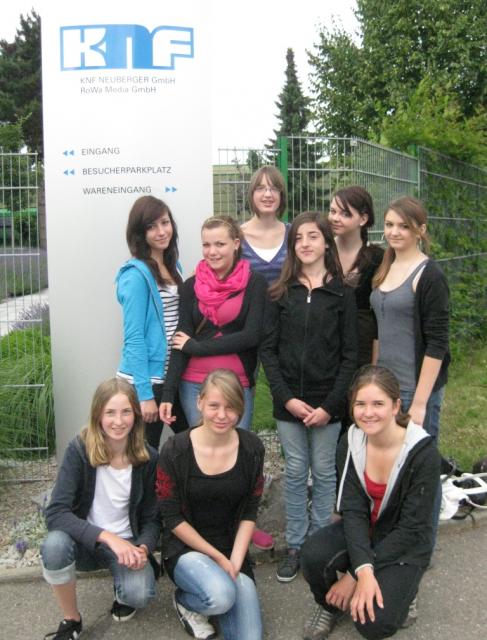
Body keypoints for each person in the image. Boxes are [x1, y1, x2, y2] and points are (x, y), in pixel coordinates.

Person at [300, 365, 440, 640]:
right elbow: (353, 512)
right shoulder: (350, 443)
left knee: (374, 624)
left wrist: (356, 574)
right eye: (360, 404)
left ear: (395, 406)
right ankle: (329, 606)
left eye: (378, 404)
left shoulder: (423, 453)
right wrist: (363, 568)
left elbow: (412, 529)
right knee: (313, 554)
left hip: (405, 542)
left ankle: (407, 590)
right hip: (366, 530)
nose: (368, 412)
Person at [260, 211, 358, 583]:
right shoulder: (280, 292)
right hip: (290, 403)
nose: (305, 243)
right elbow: (268, 351)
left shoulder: (342, 294)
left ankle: (320, 545)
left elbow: (350, 355)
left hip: (327, 404)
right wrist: (286, 399)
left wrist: (330, 406)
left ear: (326, 243)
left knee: (324, 472)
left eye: (313, 236)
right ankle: (296, 545)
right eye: (298, 237)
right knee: (296, 471)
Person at [40, 378, 159, 640]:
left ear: (136, 415)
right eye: (110, 413)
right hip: (85, 541)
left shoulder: (148, 457)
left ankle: (123, 589)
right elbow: (56, 512)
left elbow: (153, 518)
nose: (118, 421)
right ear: (98, 415)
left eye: (126, 412)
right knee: (54, 546)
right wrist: (107, 537)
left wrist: (143, 548)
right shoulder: (79, 450)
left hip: (126, 545)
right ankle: (72, 620)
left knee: (139, 594)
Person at [157, 369, 264, 640]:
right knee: (220, 596)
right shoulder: (175, 450)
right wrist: (217, 558)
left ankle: (219, 593)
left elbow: (250, 510)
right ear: (199, 402)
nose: (222, 415)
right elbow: (172, 517)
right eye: (214, 405)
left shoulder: (252, 448)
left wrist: (236, 559)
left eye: (231, 407)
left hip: (231, 548)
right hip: (187, 550)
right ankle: (186, 602)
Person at [159, 216, 267, 430]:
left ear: (236, 244)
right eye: (206, 245)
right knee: (201, 446)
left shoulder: (255, 283)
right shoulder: (191, 286)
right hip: (193, 384)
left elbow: (251, 336)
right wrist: (168, 394)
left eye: (220, 244)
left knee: (237, 445)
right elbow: (181, 341)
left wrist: (198, 347)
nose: (212, 252)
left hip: (236, 383)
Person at [370, 196, 450, 442]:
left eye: (404, 226)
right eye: (389, 224)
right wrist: (372, 379)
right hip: (384, 386)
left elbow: (437, 342)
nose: (394, 232)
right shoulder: (384, 267)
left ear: (420, 230)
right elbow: (378, 330)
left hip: (412, 389)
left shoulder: (430, 275)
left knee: (417, 459)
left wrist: (420, 402)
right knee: (385, 456)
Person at [116, 195, 186, 450]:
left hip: (170, 377)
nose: (161, 231)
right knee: (144, 455)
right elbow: (134, 337)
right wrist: (144, 395)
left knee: (190, 440)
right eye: (151, 226)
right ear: (140, 233)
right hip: (146, 381)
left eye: (165, 223)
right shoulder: (135, 275)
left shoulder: (173, 266)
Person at [329, 186, 383, 368]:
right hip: (325, 344)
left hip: (360, 346)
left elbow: (379, 314)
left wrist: (374, 363)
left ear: (363, 219)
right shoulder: (322, 251)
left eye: (345, 214)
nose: (335, 218)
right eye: (332, 211)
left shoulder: (376, 258)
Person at [241, 165, 289, 285]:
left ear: (281, 195)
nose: (268, 194)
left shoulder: (294, 233)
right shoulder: (237, 236)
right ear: (252, 194)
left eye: (274, 189)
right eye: (260, 188)